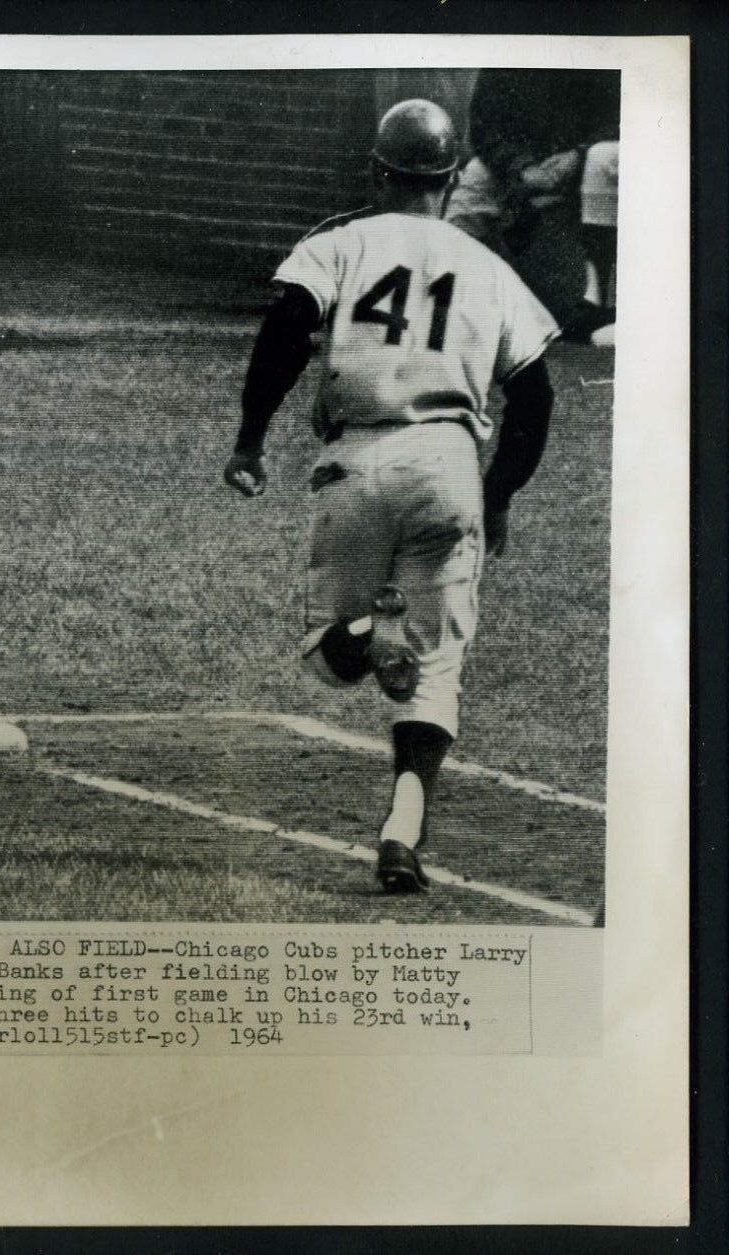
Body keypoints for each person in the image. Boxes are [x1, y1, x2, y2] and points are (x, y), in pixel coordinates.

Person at [222, 100, 558, 893]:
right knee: (438, 665)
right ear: (448, 180)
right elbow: (536, 396)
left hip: (357, 459)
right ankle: (403, 831)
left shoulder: (340, 241)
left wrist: (250, 438)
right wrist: (501, 490)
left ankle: (371, 634)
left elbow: (285, 326)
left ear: (378, 171)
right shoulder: (490, 267)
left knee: (324, 652)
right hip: (449, 465)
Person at [444, 68, 620, 342]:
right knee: (470, 194)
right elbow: (484, 131)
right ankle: (440, 303)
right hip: (523, 166)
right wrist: (522, 169)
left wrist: (579, 154)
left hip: (588, 160)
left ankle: (594, 298)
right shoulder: (504, 52)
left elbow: (622, 117)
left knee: (601, 158)